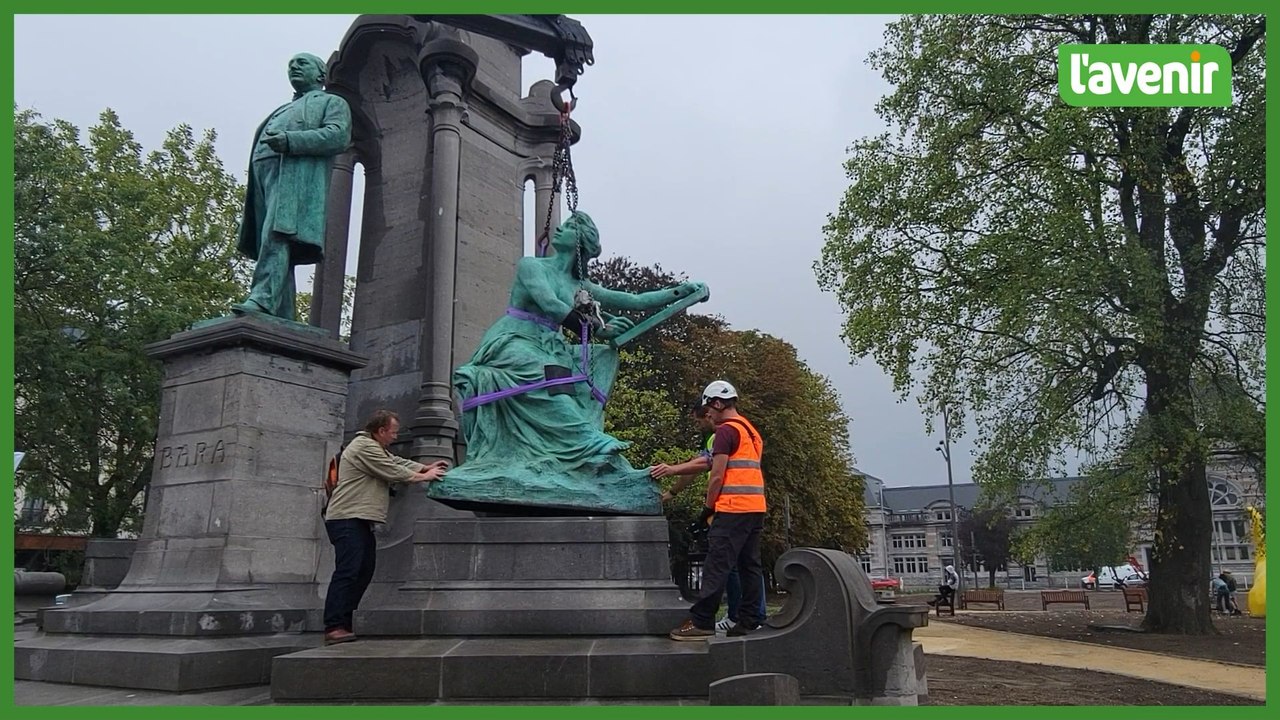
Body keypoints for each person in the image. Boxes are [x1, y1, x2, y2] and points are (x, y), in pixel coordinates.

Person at [446, 211, 707, 512]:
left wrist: (680, 292)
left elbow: (633, 300)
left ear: (581, 242)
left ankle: (580, 452)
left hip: (548, 347)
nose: (560, 228)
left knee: (601, 356)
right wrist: (597, 327)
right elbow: (550, 305)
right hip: (512, 340)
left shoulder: (579, 285)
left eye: (569, 227)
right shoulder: (532, 266)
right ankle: (587, 441)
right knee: (549, 373)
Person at [234, 52, 352, 320]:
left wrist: (290, 141)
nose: (294, 67)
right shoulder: (279, 110)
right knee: (270, 239)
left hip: (295, 178)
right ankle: (283, 314)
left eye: (302, 63)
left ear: (321, 74)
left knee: (277, 235)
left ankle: (262, 300)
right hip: (265, 175)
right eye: (290, 64)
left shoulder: (331, 102)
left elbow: (337, 136)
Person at [322, 410, 447, 645]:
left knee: (363, 570)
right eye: (393, 432)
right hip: (347, 518)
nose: (395, 437)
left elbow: (396, 461)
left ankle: (344, 622)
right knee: (348, 571)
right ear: (380, 431)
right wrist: (425, 476)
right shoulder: (364, 446)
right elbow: (392, 471)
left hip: (358, 519)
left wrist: (423, 466)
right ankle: (334, 625)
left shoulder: (376, 447)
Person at [651, 402, 766, 632]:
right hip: (755, 505)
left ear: (717, 404)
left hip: (732, 507)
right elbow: (706, 462)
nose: (708, 417)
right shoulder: (750, 431)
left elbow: (713, 472)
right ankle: (750, 620)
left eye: (708, 412)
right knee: (748, 565)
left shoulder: (724, 431)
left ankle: (702, 621)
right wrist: (673, 478)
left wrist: (707, 509)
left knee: (718, 565)